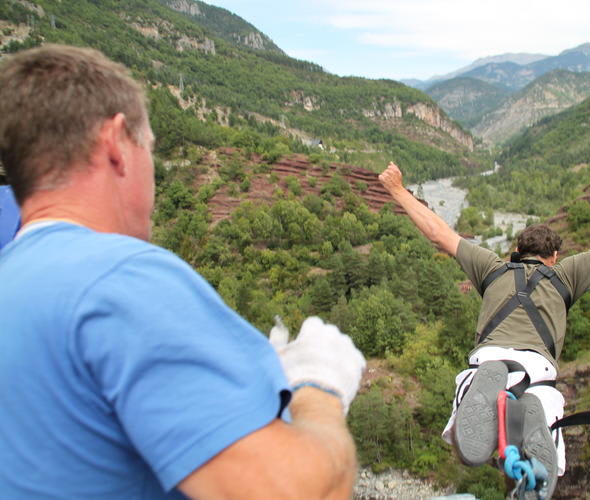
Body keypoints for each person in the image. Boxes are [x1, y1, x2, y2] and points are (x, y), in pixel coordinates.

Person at [0, 44, 366, 500]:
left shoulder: (13, 276)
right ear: (116, 146)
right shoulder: (123, 279)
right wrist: (318, 386)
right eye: (148, 148)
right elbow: (303, 492)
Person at [379, 160, 590, 497]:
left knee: (467, 445)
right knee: (534, 464)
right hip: (538, 372)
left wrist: (396, 189)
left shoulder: (492, 268)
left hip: (489, 358)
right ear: (554, 256)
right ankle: (527, 465)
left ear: (517, 252)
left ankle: (484, 388)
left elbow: (439, 233)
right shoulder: (567, 274)